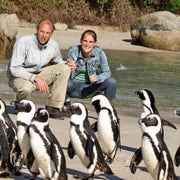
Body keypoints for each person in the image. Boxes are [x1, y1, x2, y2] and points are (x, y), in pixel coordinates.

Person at [7, 18, 71, 120]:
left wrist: (68, 63)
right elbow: (14, 69)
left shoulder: (53, 45)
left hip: (40, 74)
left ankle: (53, 107)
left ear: (51, 33)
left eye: (47, 33)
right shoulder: (24, 41)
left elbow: (58, 62)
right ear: (37, 30)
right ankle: (20, 103)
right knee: (26, 88)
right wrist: (35, 78)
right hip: (19, 76)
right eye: (42, 31)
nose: (44, 35)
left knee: (65, 69)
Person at [66, 29, 116, 102]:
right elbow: (66, 71)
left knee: (111, 82)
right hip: (73, 87)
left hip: (90, 88)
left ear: (95, 43)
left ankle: (107, 108)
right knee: (63, 82)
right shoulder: (73, 50)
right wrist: (69, 67)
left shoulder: (99, 52)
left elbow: (107, 72)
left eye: (90, 42)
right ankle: (62, 106)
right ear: (81, 41)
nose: (87, 44)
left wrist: (97, 78)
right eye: (85, 41)